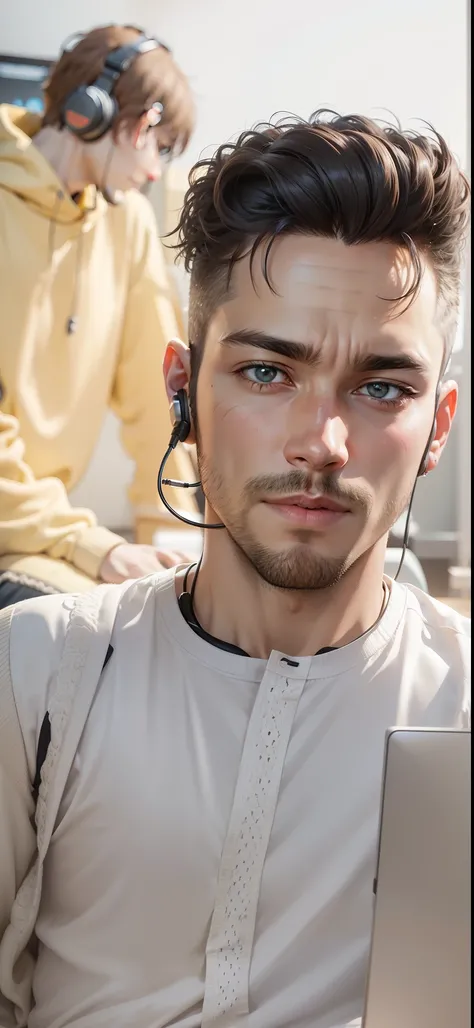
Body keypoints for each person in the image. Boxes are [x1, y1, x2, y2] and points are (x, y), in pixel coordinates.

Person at [0, 111, 470, 1028]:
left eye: (382, 389)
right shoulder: (32, 677)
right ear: (183, 387)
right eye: (266, 372)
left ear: (438, 427)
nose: (322, 443)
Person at [0, 24, 199, 610]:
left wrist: (176, 533)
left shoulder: (127, 223)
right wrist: (93, 547)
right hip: (34, 538)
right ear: (104, 114)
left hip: (40, 535)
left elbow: (155, 397)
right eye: (157, 145)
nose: (157, 170)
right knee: (95, 644)